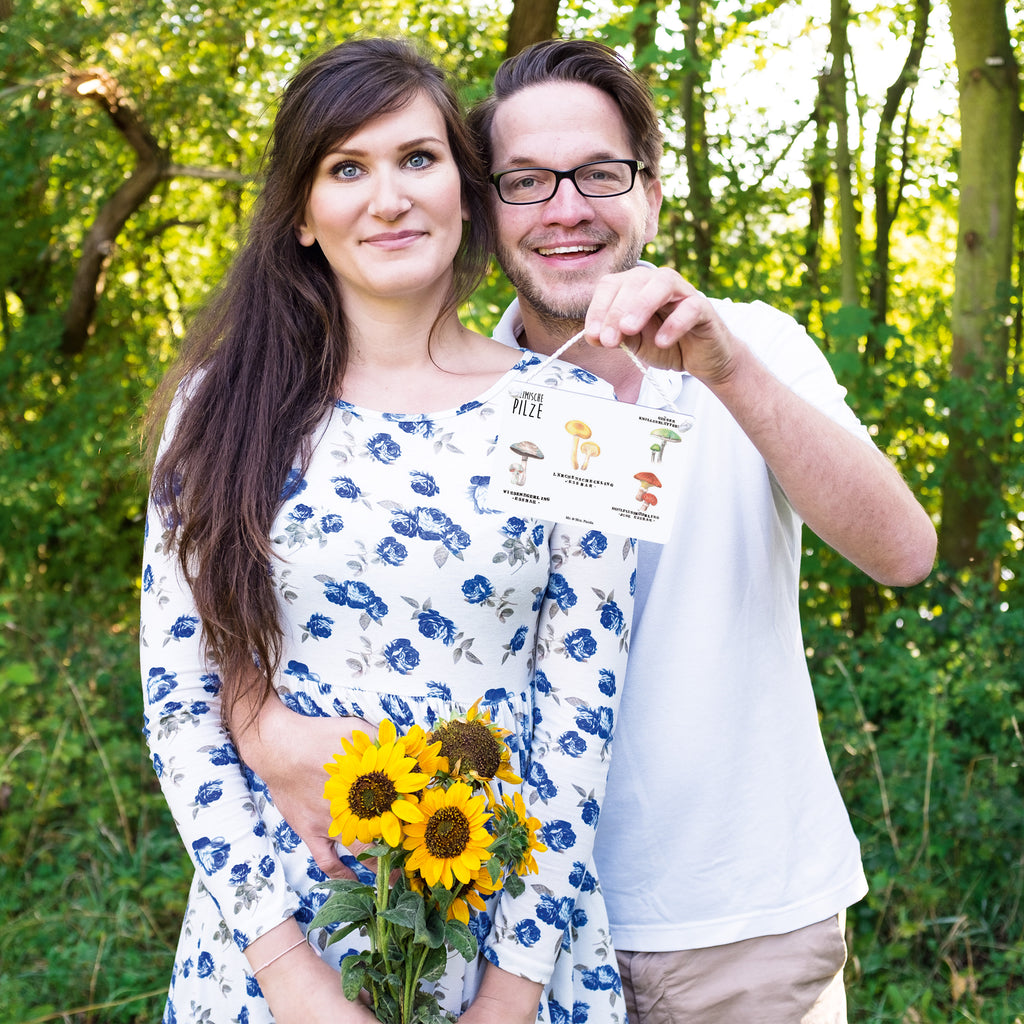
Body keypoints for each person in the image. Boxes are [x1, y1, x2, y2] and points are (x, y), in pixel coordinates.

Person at [234, 37, 937, 1024]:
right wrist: (256, 719)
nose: (565, 208)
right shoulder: (455, 393)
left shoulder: (753, 347)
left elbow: (903, 552)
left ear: (649, 191)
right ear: (486, 207)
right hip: (511, 931)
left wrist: (724, 369)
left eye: (599, 174)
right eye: (526, 181)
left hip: (734, 926)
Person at [140, 38, 635, 1024]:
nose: (389, 196)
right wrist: (292, 978)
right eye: (346, 168)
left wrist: (510, 991)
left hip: (506, 931)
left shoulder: (574, 413)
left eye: (417, 158)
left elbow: (581, 711)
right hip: (272, 943)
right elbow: (179, 698)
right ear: (303, 218)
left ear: (467, 190)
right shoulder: (222, 407)